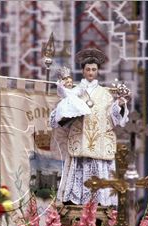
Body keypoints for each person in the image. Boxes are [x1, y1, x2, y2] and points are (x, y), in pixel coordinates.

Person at [50, 47, 129, 206]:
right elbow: (59, 117)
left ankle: (102, 204)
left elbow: (114, 119)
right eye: (88, 69)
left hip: (99, 144)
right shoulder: (74, 92)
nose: (91, 72)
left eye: (94, 69)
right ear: (83, 71)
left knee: (100, 181)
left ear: (98, 71)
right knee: (80, 171)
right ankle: (76, 203)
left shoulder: (106, 94)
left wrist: (119, 105)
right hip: (80, 142)